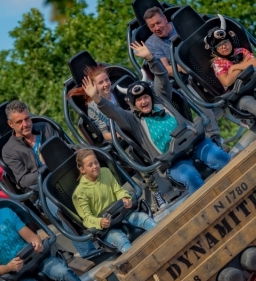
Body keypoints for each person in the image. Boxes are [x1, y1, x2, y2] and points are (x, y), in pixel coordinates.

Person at [84, 43, 231, 194]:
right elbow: (113, 112)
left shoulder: (161, 100)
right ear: (133, 105)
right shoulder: (133, 121)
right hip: (173, 161)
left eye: (145, 97)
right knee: (190, 176)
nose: (144, 102)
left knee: (218, 156)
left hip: (194, 143)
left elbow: (161, 78)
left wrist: (150, 58)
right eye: (139, 100)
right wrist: (97, 98)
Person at [0, 100, 96, 256]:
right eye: (19, 122)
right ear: (11, 124)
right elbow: (24, 181)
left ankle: (112, 227)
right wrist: (46, 166)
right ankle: (89, 252)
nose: (25, 124)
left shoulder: (44, 128)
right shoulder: (9, 150)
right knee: (61, 210)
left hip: (66, 176)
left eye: (27, 118)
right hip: (43, 191)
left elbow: (64, 147)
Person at [68, 65, 168, 210]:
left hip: (138, 126)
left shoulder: (120, 92)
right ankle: (155, 191)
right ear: (94, 87)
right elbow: (104, 133)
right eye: (101, 83)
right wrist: (118, 133)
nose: (105, 84)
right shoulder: (93, 108)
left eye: (107, 80)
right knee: (132, 152)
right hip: (122, 137)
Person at [141, 6, 222, 144]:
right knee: (190, 91)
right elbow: (165, 68)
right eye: (152, 26)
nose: (157, 28)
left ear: (165, 19)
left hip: (205, 63)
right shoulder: (151, 43)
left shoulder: (180, 25)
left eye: (158, 23)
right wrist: (184, 68)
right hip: (183, 78)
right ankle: (214, 135)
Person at [71, 149, 157, 254]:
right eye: (90, 165)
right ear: (82, 169)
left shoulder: (105, 172)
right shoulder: (80, 193)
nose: (95, 166)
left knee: (145, 219)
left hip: (122, 214)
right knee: (120, 239)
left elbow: (118, 190)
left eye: (96, 162)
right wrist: (100, 222)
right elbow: (87, 219)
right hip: (107, 228)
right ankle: (135, 258)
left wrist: (125, 198)